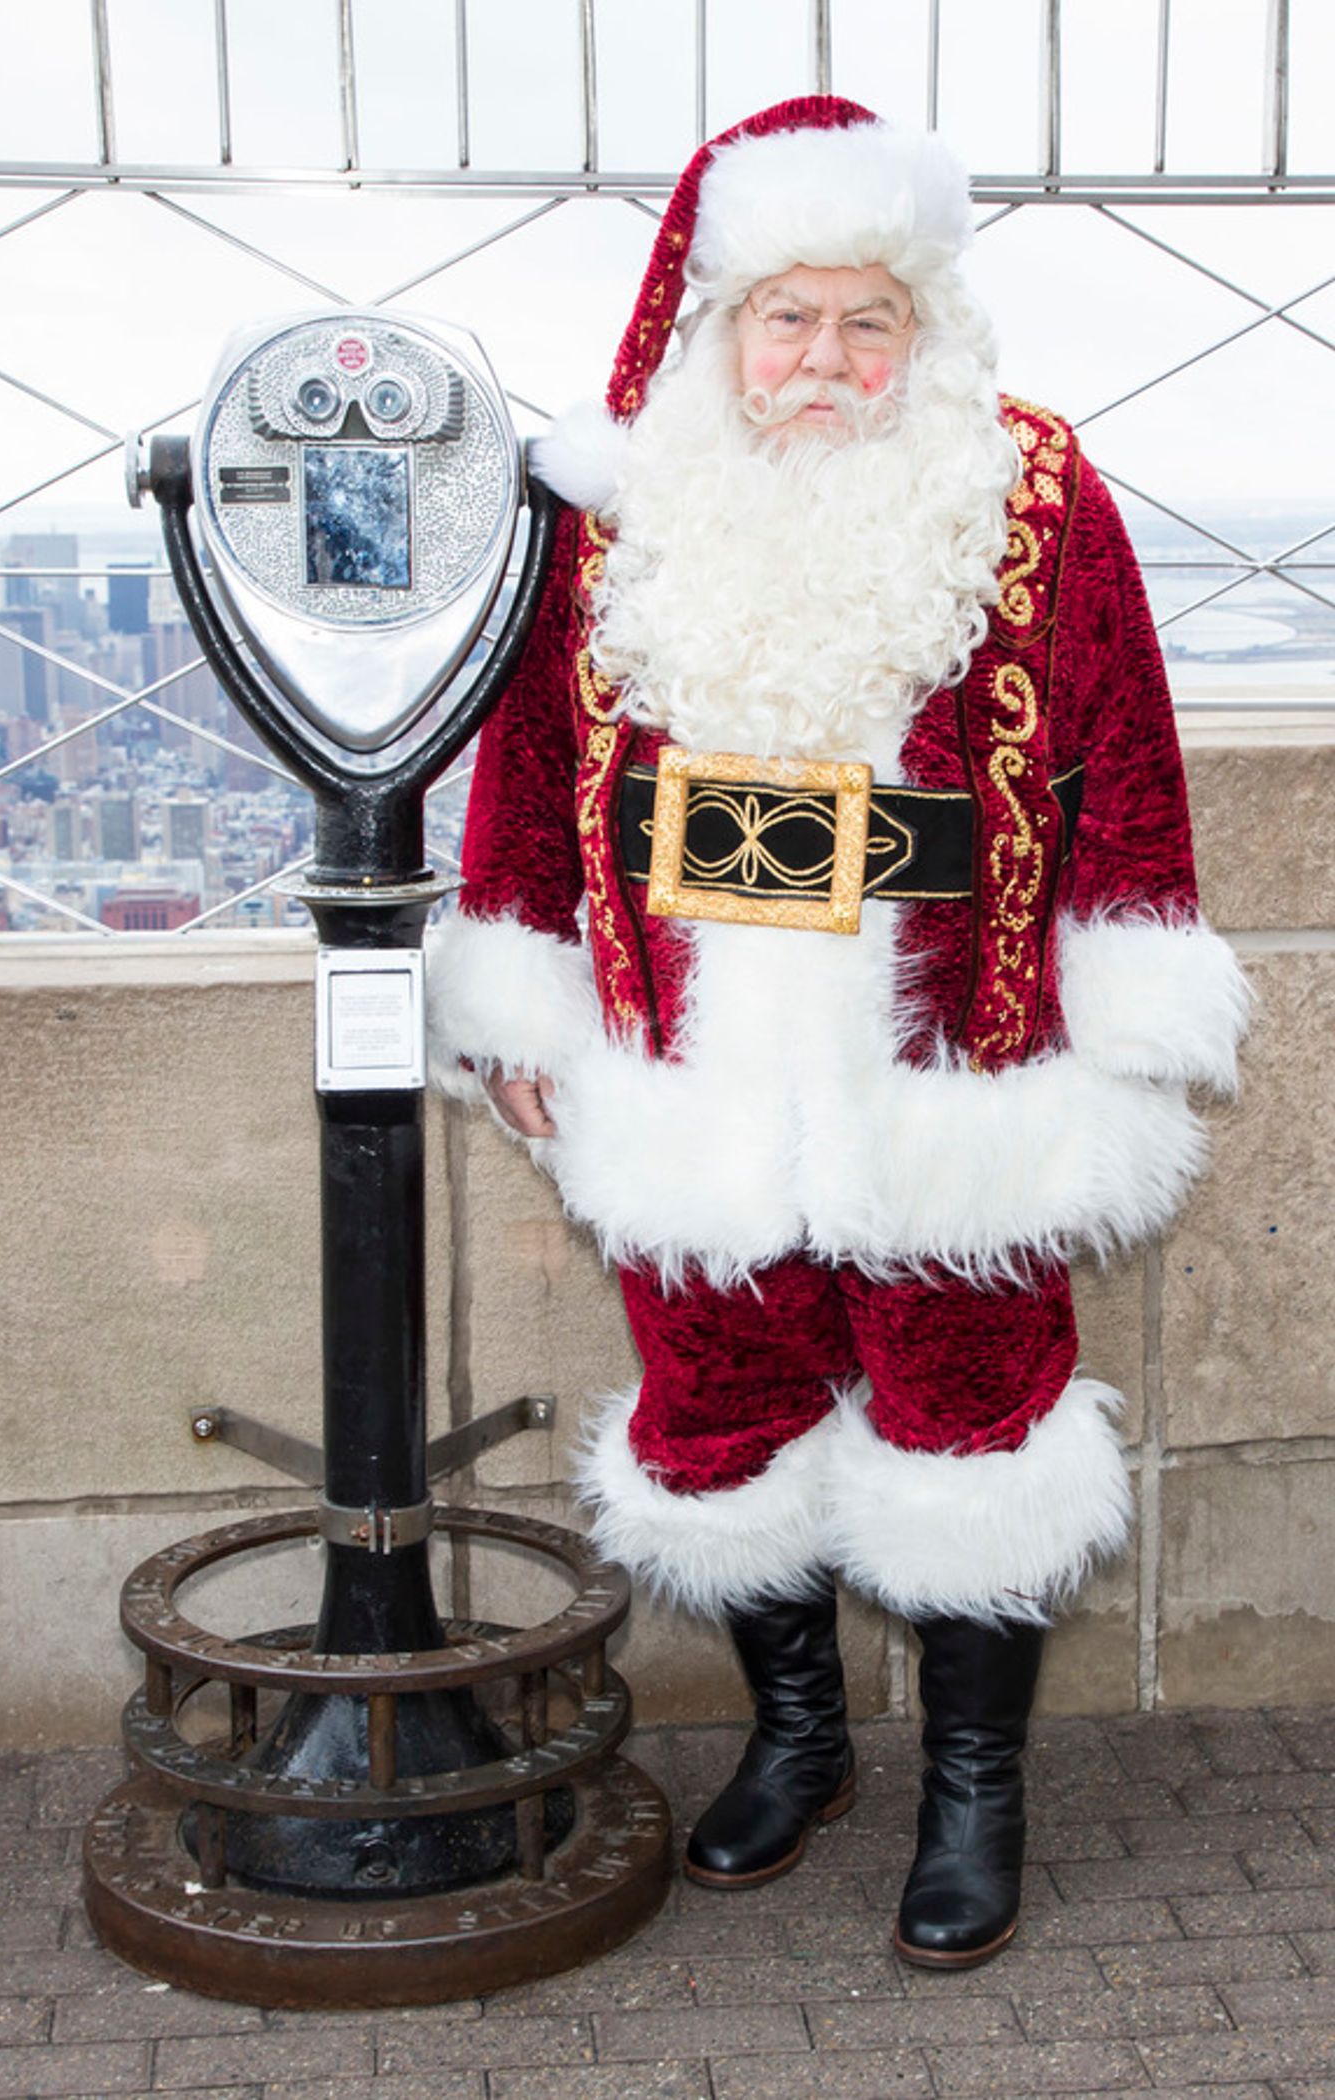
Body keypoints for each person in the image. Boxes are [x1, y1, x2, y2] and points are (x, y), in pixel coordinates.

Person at [427, 96, 1249, 1967]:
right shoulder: (619, 507)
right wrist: (516, 990)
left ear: (925, 328)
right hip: (683, 1071)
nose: (825, 356)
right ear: (719, 325)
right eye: (787, 316)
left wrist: (1126, 1010)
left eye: (868, 318)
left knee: (977, 1428)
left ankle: (975, 1788)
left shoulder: (1036, 493)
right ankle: (801, 1740)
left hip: (958, 1077)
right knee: (719, 1420)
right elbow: (530, 765)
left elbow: (1125, 749)